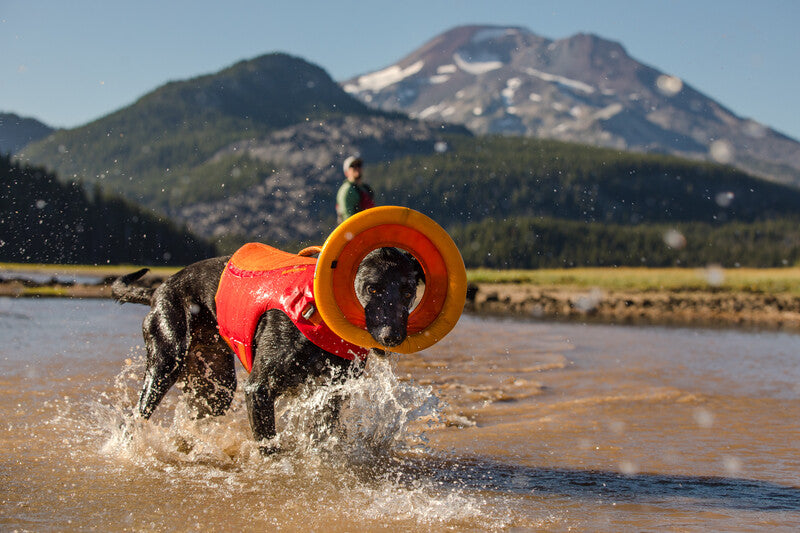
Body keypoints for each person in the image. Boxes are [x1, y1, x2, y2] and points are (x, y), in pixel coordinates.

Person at [336, 156, 375, 223]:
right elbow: (347, 218)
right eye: (353, 166)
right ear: (346, 172)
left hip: (368, 227)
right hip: (356, 230)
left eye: (359, 165)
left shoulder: (365, 187)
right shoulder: (347, 190)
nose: (357, 168)